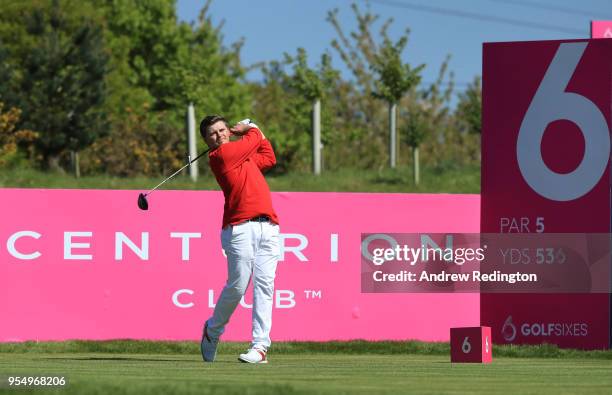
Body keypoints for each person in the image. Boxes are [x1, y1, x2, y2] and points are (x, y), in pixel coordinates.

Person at [199, 115, 280, 364]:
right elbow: (255, 138)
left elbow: (268, 157)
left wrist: (251, 132)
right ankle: (213, 330)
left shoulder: (241, 156)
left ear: (228, 131)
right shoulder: (221, 157)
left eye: (223, 130)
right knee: (237, 286)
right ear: (206, 140)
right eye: (213, 133)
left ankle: (260, 347)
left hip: (268, 226)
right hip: (239, 228)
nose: (220, 135)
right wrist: (251, 127)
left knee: (265, 287)